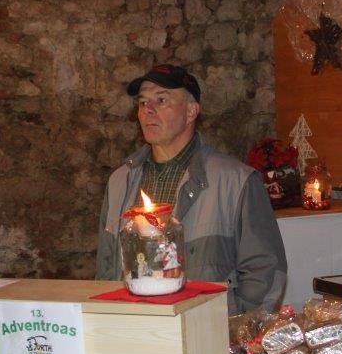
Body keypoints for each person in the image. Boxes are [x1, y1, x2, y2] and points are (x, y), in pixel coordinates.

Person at [95, 63, 287, 313]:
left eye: (161, 100)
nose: (147, 110)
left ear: (191, 111)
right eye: (142, 102)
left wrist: (232, 327)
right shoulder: (119, 182)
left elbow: (265, 272)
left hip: (204, 330)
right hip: (137, 329)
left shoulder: (235, 182)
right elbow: (105, 270)